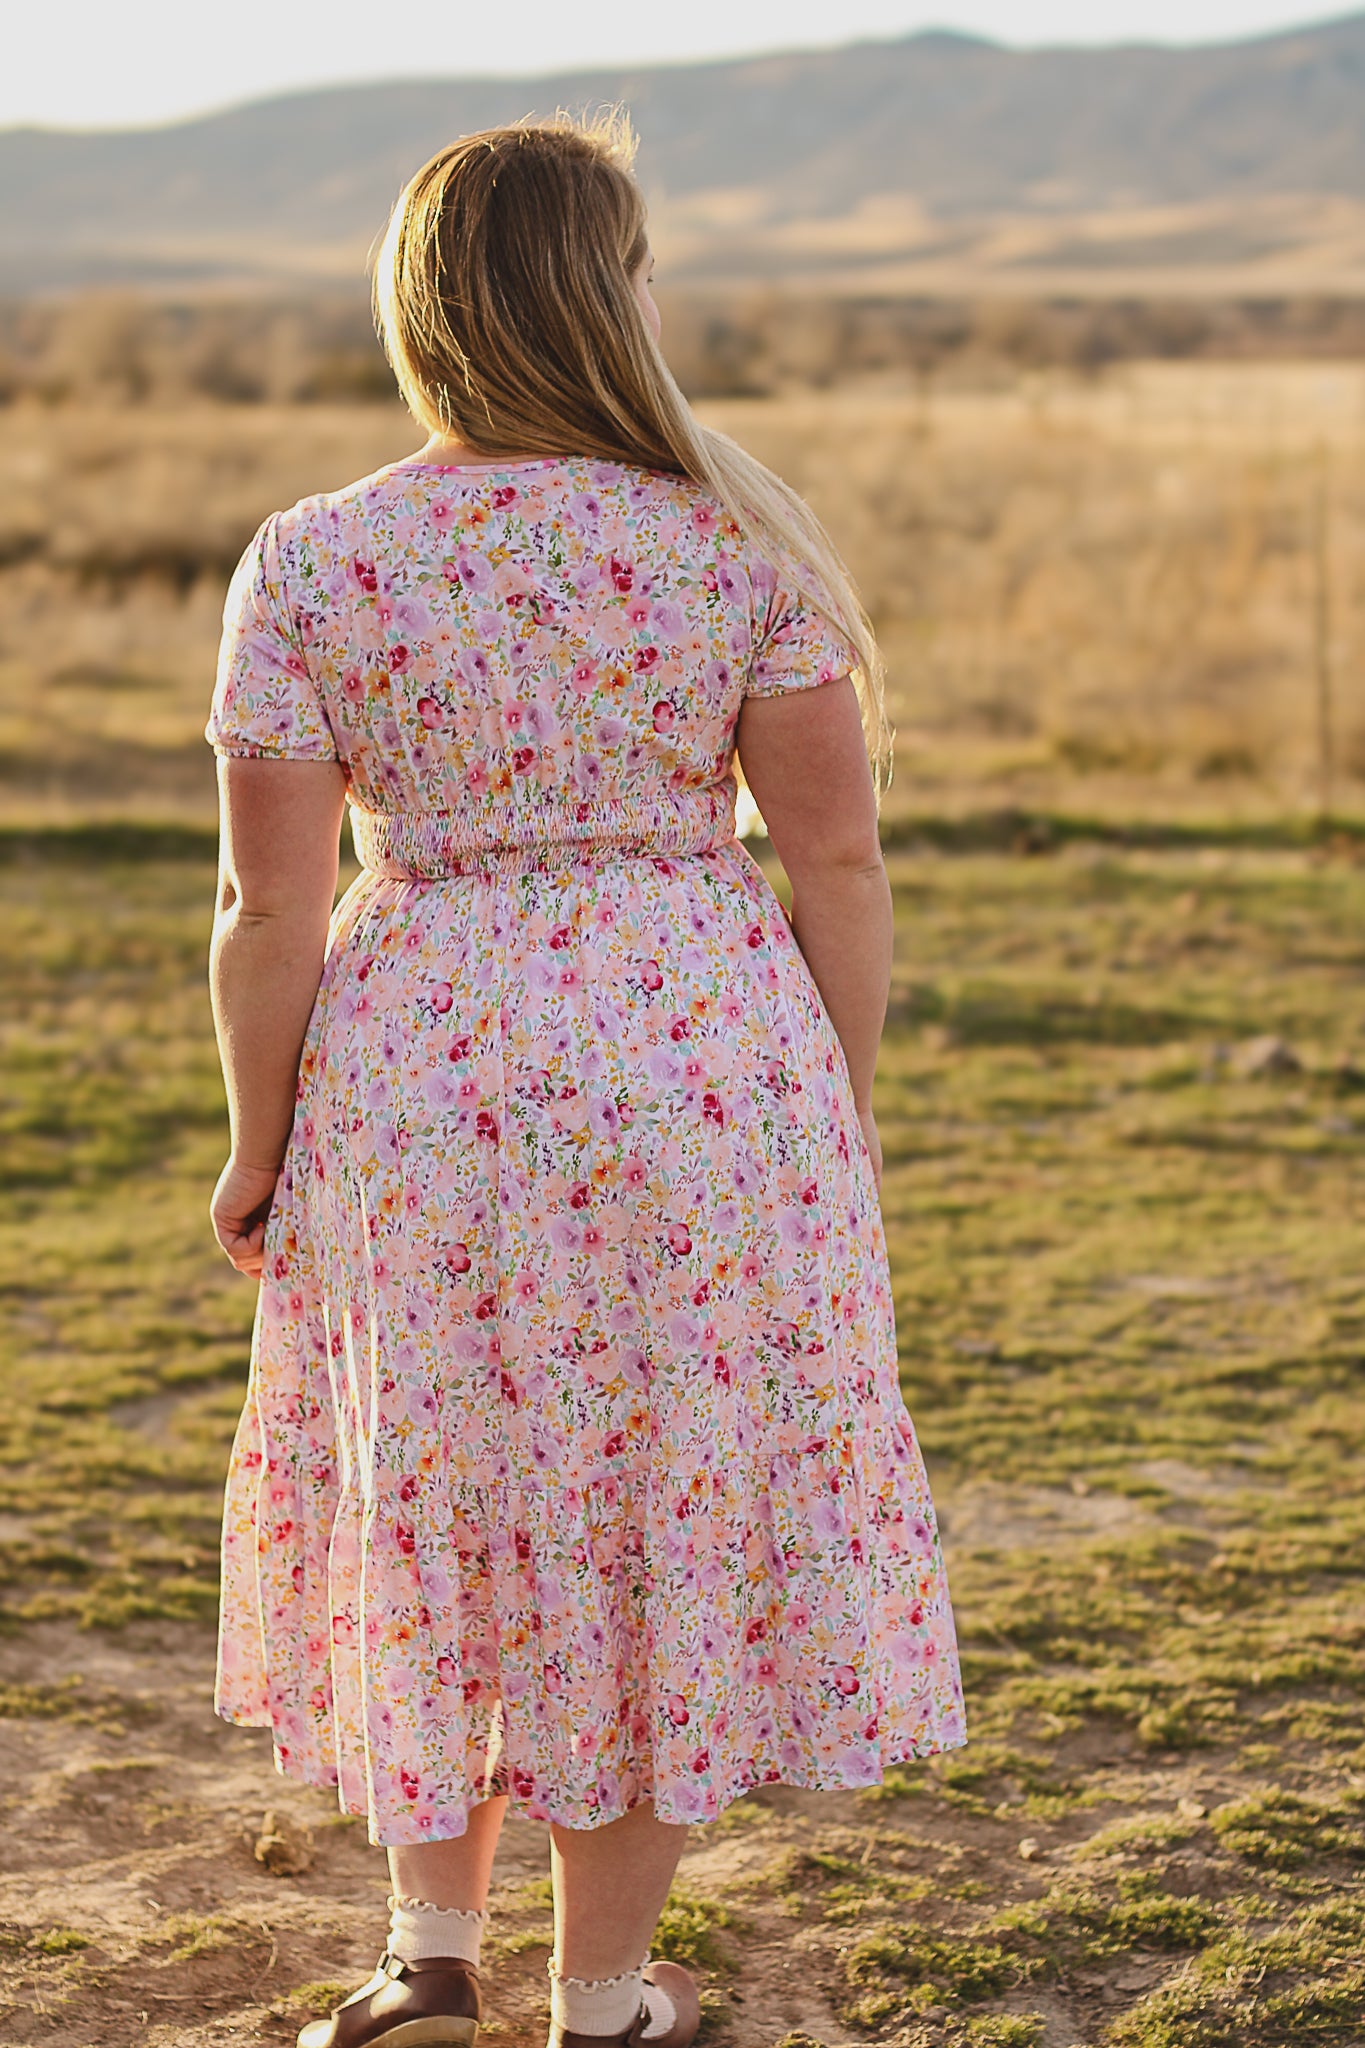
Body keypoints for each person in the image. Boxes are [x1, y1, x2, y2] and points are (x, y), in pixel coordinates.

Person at [205, 114, 965, 2048]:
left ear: (421, 307)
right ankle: (606, 1997)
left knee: (436, 1484)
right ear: (607, 296)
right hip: (704, 1071)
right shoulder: (735, 536)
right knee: (652, 1509)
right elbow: (837, 861)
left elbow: (266, 910)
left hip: (420, 1087)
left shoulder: (317, 556)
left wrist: (256, 1142)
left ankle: (425, 1961)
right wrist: (832, 1113)